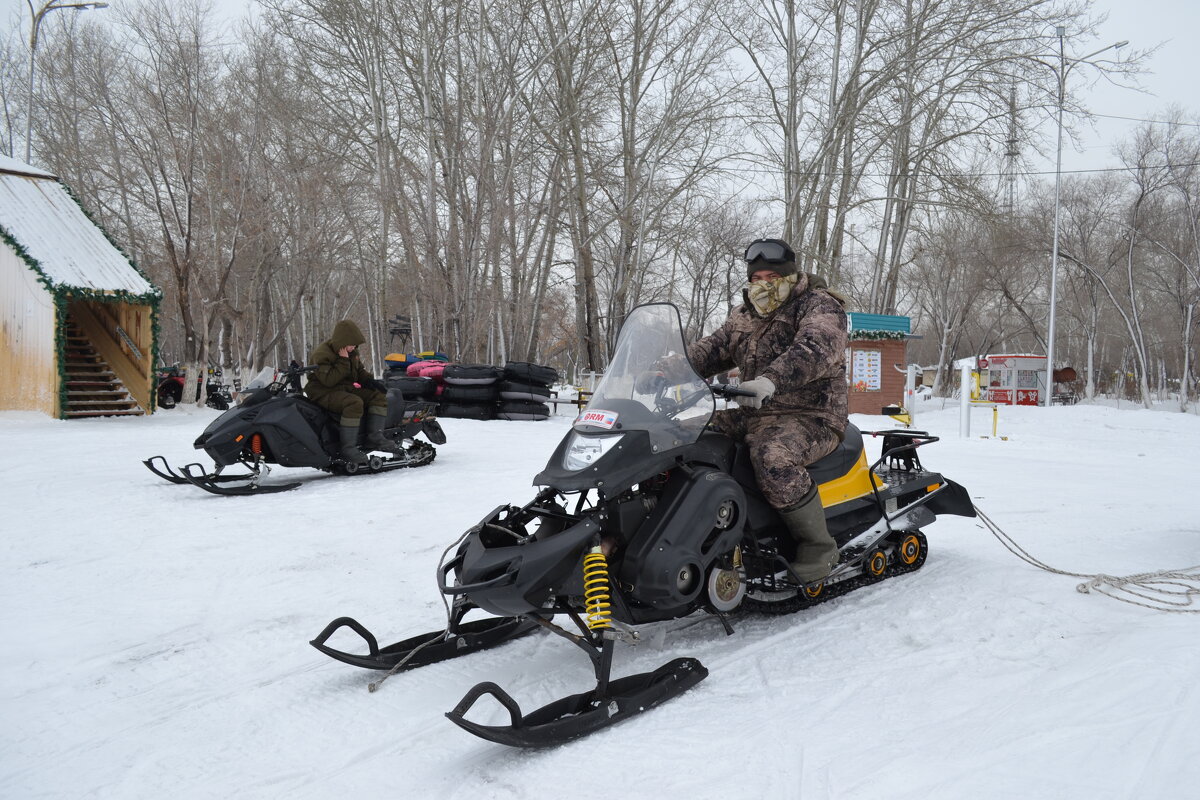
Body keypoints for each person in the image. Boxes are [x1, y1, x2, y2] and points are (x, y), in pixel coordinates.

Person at [686, 238, 849, 583]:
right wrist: (664, 366)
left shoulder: (819, 306)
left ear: (789, 275)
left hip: (812, 416)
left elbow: (816, 348)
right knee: (687, 433)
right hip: (756, 411)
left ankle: (818, 546)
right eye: (756, 278)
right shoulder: (744, 315)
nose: (763, 285)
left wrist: (769, 380)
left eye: (771, 277)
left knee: (771, 456)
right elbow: (710, 350)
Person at [304, 319, 398, 463]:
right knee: (353, 403)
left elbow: (359, 371)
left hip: (343, 388)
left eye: (355, 344)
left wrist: (371, 381)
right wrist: (343, 360)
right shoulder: (322, 354)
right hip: (323, 392)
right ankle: (348, 449)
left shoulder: (352, 352)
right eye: (351, 344)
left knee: (377, 397)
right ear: (342, 342)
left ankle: (374, 437)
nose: (354, 347)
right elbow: (329, 380)